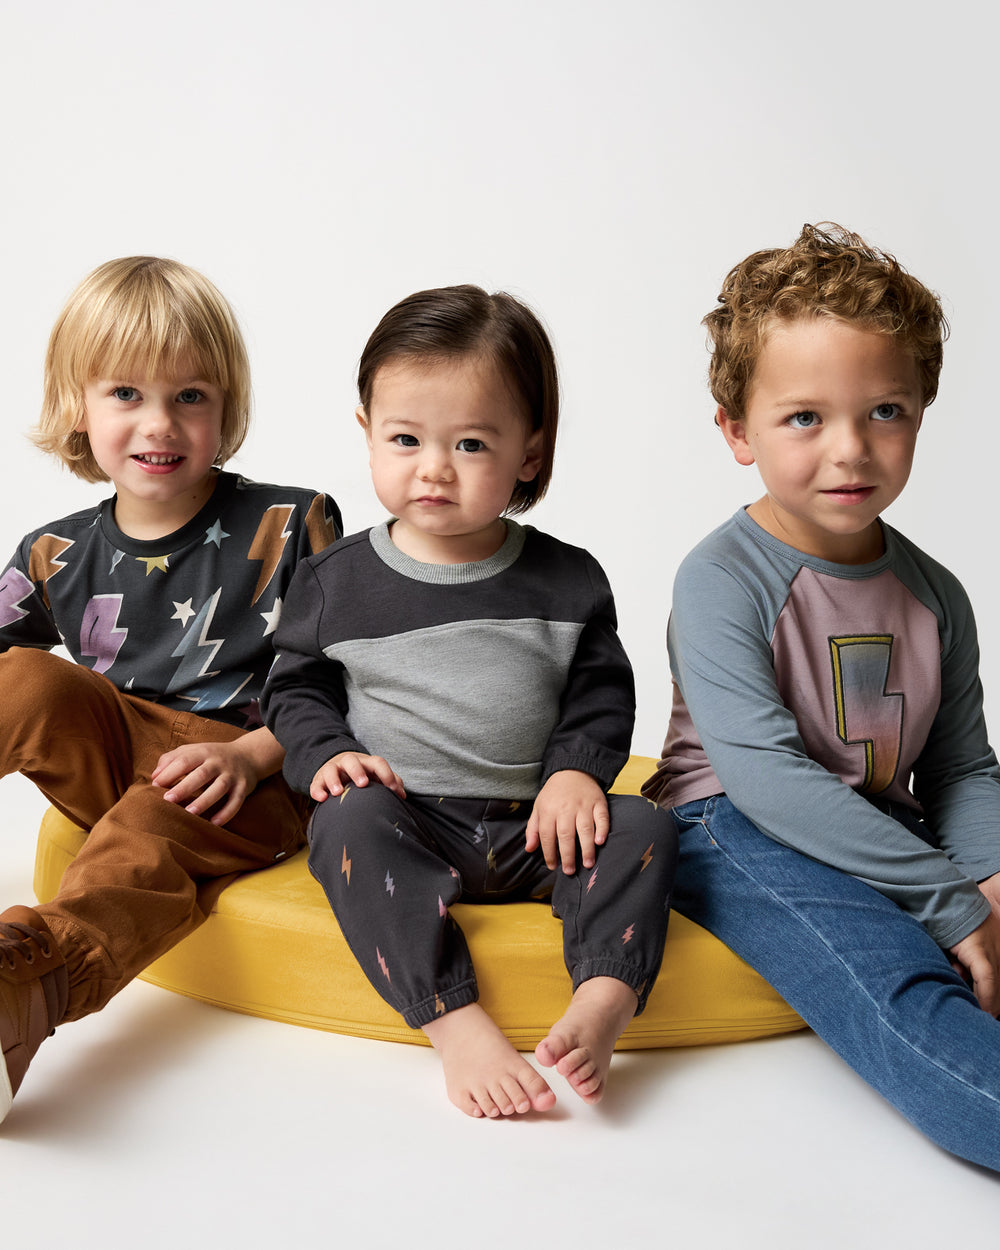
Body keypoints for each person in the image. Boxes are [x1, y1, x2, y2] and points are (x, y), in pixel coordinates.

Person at [262, 284, 676, 1119]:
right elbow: (295, 687)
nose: (433, 468)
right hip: (412, 818)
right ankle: (452, 1021)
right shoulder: (335, 580)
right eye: (405, 438)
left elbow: (600, 692)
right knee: (347, 821)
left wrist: (575, 774)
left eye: (472, 443)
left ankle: (602, 1000)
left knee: (646, 824)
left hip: (538, 826)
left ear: (530, 451)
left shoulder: (566, 577)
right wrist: (326, 755)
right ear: (367, 433)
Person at [643, 223, 1000, 1171]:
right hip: (728, 826)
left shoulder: (936, 593)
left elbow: (963, 765)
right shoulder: (723, 576)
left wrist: (989, 876)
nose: (850, 449)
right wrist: (951, 903)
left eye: (885, 411)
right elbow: (766, 777)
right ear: (736, 430)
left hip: (879, 821)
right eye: (804, 417)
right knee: (899, 972)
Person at [0, 256, 342, 1124]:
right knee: (23, 678)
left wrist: (256, 752)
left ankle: (30, 989)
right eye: (125, 394)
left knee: (152, 823)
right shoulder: (54, 552)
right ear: (78, 404)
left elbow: (354, 671)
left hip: (252, 770)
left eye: (190, 395)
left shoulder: (291, 522)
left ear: (225, 407)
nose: (160, 422)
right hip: (116, 747)